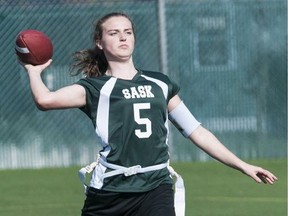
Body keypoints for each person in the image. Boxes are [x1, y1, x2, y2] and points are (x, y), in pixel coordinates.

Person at [20, 12, 277, 216]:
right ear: (100, 43)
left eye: (128, 32)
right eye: (114, 33)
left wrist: (243, 165)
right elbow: (44, 100)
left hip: (156, 186)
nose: (123, 37)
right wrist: (33, 71)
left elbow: (195, 130)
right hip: (111, 191)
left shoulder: (160, 84)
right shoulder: (95, 88)